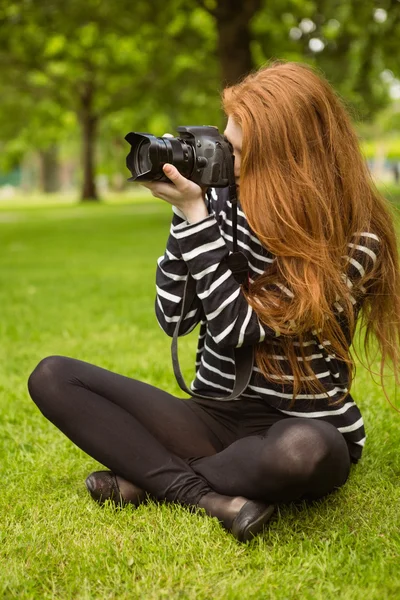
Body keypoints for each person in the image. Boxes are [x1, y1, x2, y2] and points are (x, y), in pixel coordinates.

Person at [27, 61, 400, 543]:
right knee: (54, 376)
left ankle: (151, 478)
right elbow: (174, 319)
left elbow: (238, 329)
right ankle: (205, 496)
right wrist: (187, 217)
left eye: (240, 151)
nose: (228, 160)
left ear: (290, 157)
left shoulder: (358, 235)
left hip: (302, 424)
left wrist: (197, 221)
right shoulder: (218, 201)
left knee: (300, 454)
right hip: (214, 412)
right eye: (226, 144)